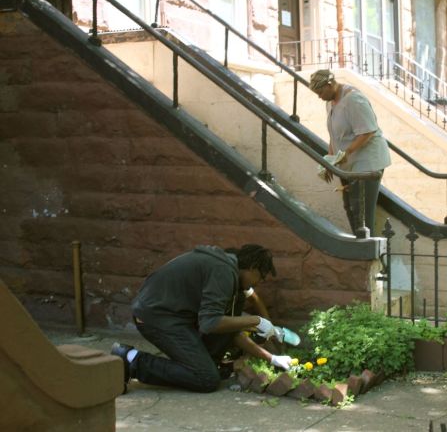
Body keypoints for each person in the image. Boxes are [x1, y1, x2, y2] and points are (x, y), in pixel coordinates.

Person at [110, 244, 292, 393]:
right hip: (155, 317)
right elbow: (210, 323)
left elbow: (231, 331)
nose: (258, 283)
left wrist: (272, 359)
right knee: (206, 379)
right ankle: (131, 359)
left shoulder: (233, 281)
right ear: (252, 268)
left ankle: (200, 365)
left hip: (175, 317)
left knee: (209, 364)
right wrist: (256, 321)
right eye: (260, 277)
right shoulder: (223, 272)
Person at [309, 69, 391, 236]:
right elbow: (334, 136)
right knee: (350, 208)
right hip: (348, 164)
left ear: (330, 84)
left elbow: (368, 131)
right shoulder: (330, 103)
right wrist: (329, 162)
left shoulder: (354, 99)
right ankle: (360, 245)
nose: (319, 97)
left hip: (367, 162)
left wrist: (346, 153)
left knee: (362, 212)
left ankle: (368, 249)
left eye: (320, 92)